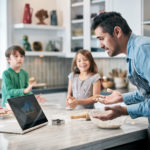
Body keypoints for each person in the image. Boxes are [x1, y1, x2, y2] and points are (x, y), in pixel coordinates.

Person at [92, 12, 150, 138]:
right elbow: (147, 92)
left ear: (117, 32)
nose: (100, 45)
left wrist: (124, 110)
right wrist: (123, 98)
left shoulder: (142, 50)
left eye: (102, 38)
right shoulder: (134, 51)